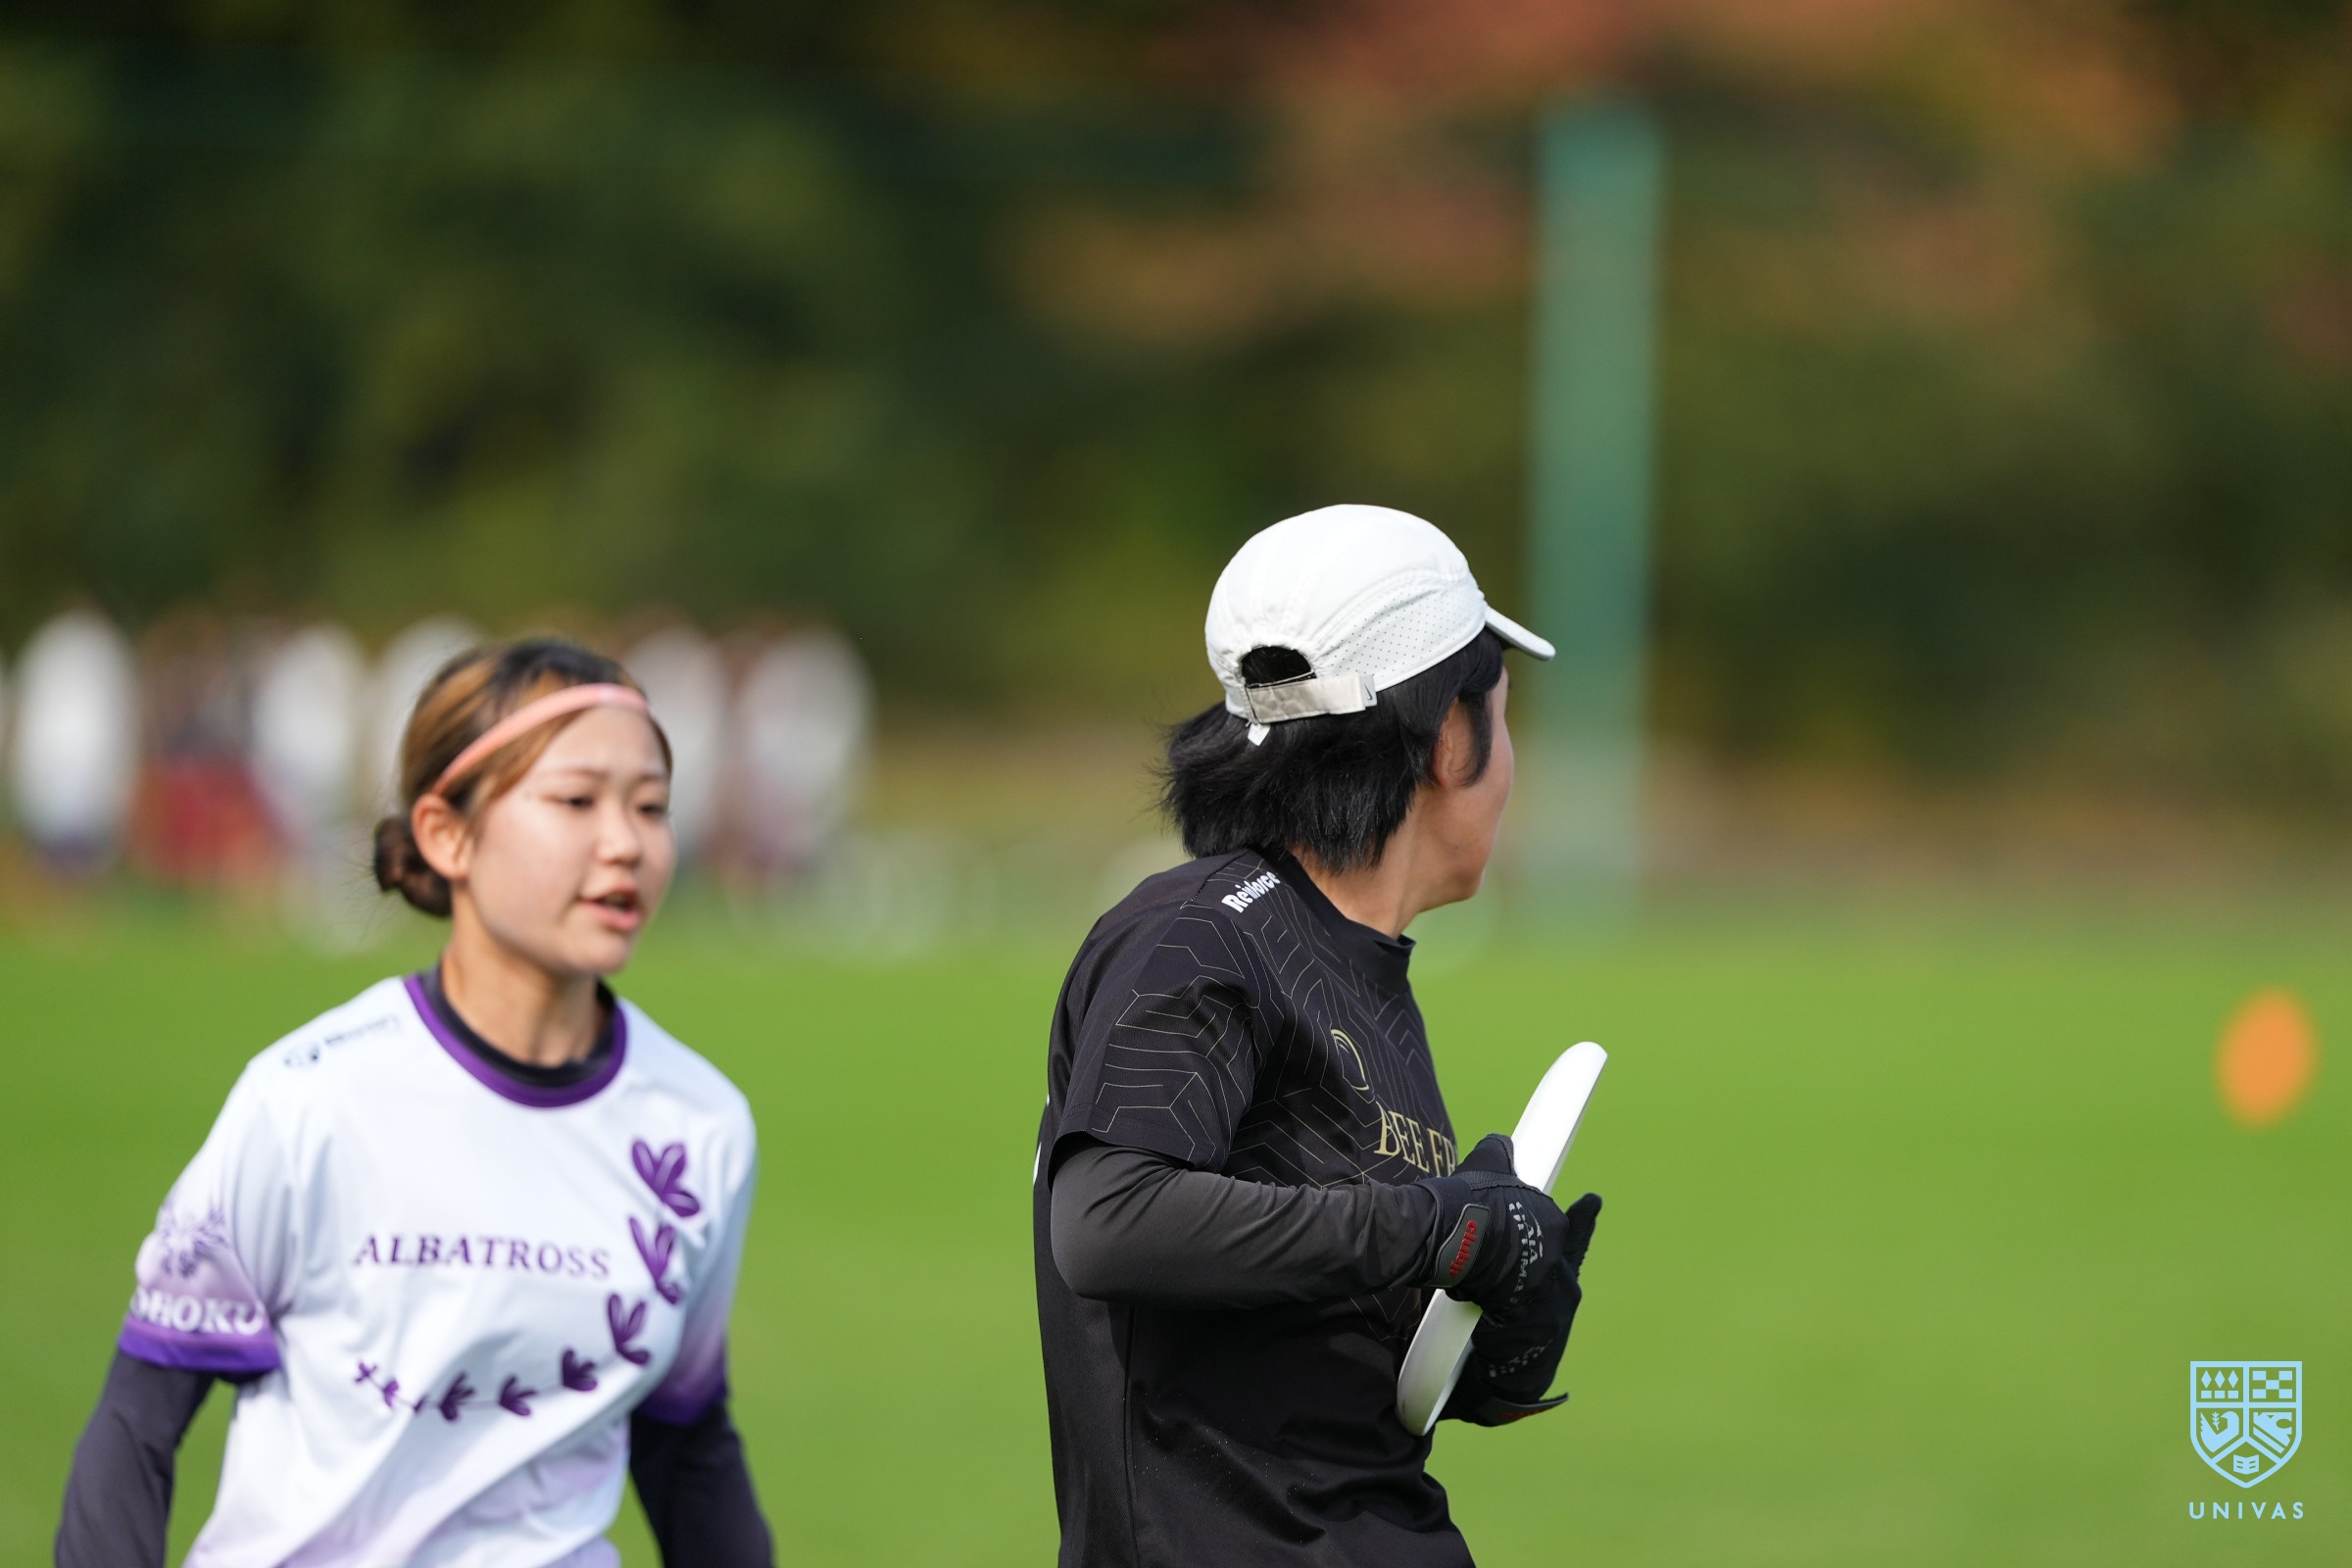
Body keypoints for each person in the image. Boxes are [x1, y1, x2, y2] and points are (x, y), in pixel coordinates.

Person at [57, 640, 772, 1568]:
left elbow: (688, 1446)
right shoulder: (312, 1099)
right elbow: (136, 1428)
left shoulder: (700, 1123)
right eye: (575, 801)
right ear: (446, 834)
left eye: (651, 806)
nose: (625, 843)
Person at [1035, 504, 1605, 1567]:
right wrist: (1437, 1227)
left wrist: (1484, 1329)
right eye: (1504, 716)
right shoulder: (1199, 930)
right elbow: (1110, 1220)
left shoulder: (1356, 966)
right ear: (1450, 739)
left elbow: (1305, 1329)